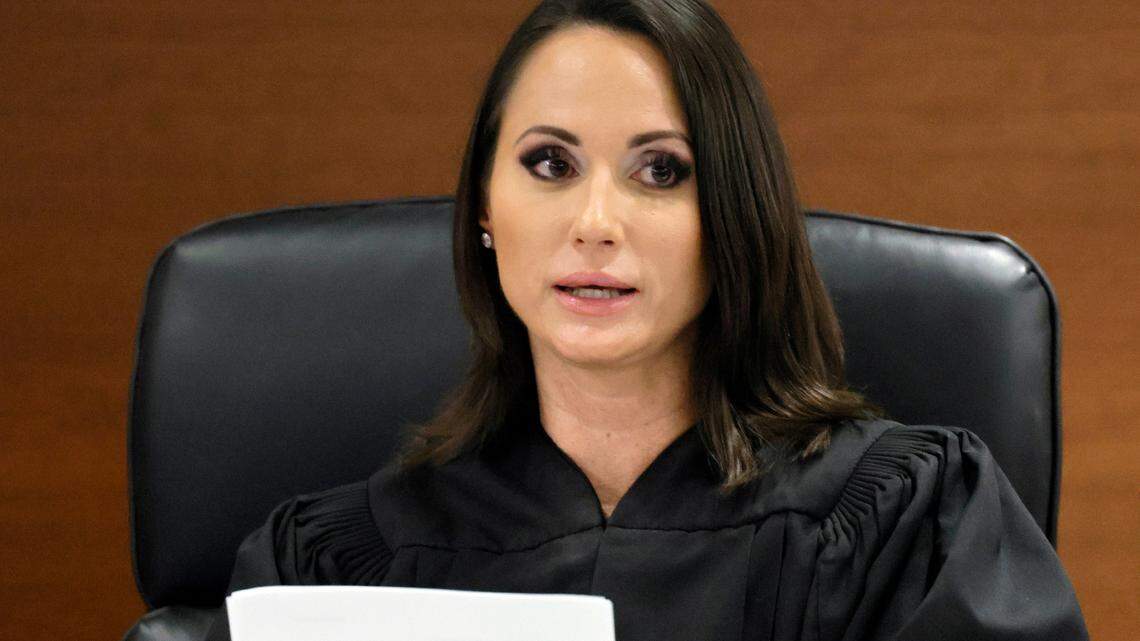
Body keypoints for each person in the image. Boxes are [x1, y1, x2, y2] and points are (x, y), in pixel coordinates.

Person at [203, 1, 1088, 639]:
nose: (595, 221)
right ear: (483, 205)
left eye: (660, 171)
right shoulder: (330, 566)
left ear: (732, 213)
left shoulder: (907, 526)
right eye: (549, 162)